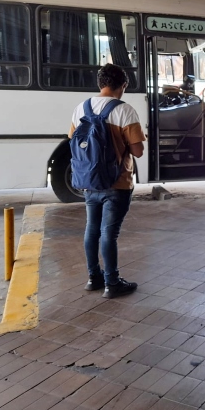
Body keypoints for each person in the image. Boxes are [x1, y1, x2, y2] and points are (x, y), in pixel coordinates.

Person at [69, 64, 146, 298]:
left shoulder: (80, 108)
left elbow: (73, 140)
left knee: (92, 230)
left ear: (100, 84)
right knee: (109, 234)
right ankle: (112, 283)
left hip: (90, 180)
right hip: (118, 182)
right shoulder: (125, 110)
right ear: (122, 85)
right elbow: (138, 151)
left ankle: (94, 278)